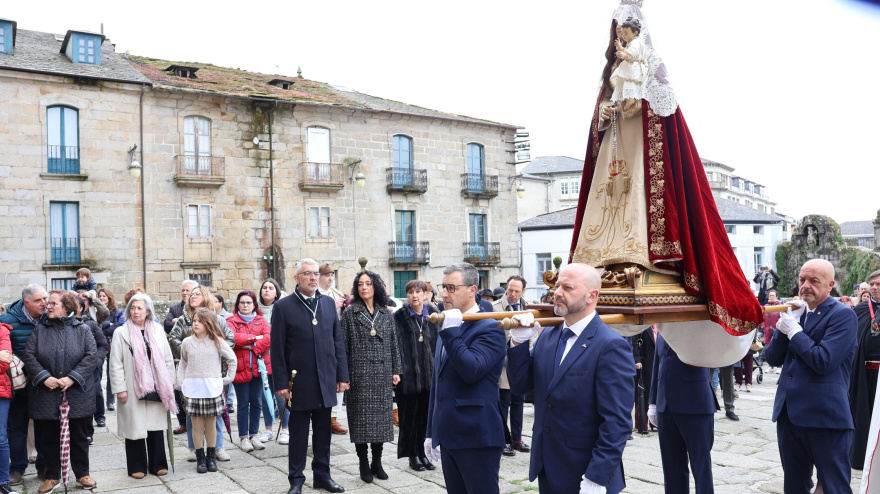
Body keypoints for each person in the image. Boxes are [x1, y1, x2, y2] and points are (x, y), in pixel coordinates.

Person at [568, 6, 764, 339]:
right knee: (610, 195)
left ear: (637, 32)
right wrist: (606, 111)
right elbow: (602, 108)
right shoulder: (613, 69)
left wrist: (635, 101)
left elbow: (661, 106)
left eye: (625, 31)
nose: (620, 37)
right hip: (615, 144)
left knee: (638, 193)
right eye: (617, 31)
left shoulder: (648, 63)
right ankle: (601, 260)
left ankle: (640, 258)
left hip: (641, 149)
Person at [507, 263, 635, 494]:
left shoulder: (610, 345)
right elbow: (520, 386)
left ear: (591, 296)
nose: (557, 292)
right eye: (557, 286)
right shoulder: (548, 335)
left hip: (585, 471)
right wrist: (517, 343)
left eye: (567, 287)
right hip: (548, 466)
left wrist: (596, 478)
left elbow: (617, 422)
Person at [764, 259, 858, 493]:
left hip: (825, 417)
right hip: (789, 415)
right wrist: (784, 328)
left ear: (830, 285)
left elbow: (823, 360)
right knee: (794, 485)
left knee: (833, 486)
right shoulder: (797, 312)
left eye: (814, 281)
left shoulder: (843, 315)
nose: (805, 285)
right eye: (802, 279)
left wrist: (794, 331)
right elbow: (772, 358)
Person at [424, 263, 507, 494]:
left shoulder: (489, 327)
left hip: (477, 435)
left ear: (472, 290)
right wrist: (431, 430)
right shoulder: (449, 323)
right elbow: (438, 383)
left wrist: (452, 332)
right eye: (443, 287)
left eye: (451, 287)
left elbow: (472, 371)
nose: (444, 294)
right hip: (449, 433)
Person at [270, 258, 348, 494]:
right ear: (297, 278)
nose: (314, 278)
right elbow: (277, 349)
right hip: (299, 382)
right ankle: (296, 480)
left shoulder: (328, 304)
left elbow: (337, 342)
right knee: (298, 435)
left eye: (316, 273)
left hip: (325, 380)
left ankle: (322, 476)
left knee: (323, 433)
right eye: (308, 273)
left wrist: (342, 375)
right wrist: (281, 383)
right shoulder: (283, 307)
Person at [23, 290, 99, 493]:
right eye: (48, 302)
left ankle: (82, 474)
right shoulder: (40, 330)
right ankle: (52, 476)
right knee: (49, 438)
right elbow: (29, 356)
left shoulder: (83, 329)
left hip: (77, 394)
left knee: (79, 436)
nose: (48, 305)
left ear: (66, 307)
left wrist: (72, 378)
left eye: (53, 303)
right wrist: (44, 378)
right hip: (46, 394)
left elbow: (91, 356)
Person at [340, 270, 401, 483]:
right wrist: (343, 375)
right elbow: (343, 346)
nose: (364, 287)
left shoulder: (385, 313)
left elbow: (394, 343)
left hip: (382, 374)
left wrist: (396, 370)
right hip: (358, 375)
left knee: (381, 422)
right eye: (360, 284)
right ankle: (363, 463)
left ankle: (377, 462)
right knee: (360, 422)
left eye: (368, 283)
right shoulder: (350, 313)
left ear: (376, 286)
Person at [110, 293, 177, 479]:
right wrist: (120, 388)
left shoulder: (157, 330)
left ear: (148, 311)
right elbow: (115, 363)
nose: (135, 311)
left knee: (155, 427)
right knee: (135, 427)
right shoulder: (121, 332)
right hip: (132, 387)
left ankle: (158, 464)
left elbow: (167, 359)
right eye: (132, 308)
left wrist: (170, 383)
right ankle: (136, 466)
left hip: (157, 385)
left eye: (139, 308)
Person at [169, 285, 234, 462]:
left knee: (215, 414)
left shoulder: (218, 319)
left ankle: (218, 447)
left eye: (197, 294)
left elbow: (229, 339)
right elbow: (173, 339)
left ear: (205, 297)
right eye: (191, 294)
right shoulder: (183, 319)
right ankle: (194, 448)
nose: (192, 296)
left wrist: (213, 353)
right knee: (193, 416)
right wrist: (192, 351)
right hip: (192, 374)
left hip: (214, 373)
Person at [648, 333, 716, 494]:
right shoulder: (663, 325)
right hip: (666, 404)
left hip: (695, 402)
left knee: (701, 469)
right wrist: (653, 402)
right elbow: (658, 362)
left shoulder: (698, 324)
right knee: (672, 470)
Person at [0, 284, 47, 488]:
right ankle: (17, 468)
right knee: (16, 428)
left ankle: (44, 466)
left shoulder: (49, 317)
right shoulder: (7, 320)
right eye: (38, 300)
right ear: (26, 302)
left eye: (45, 298)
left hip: (44, 385)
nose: (44, 303)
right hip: (19, 385)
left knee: (43, 427)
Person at [393, 280, 438, 472]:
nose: (414, 295)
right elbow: (393, 346)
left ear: (425, 294)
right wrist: (396, 370)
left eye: (418, 291)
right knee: (409, 418)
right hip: (408, 377)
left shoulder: (434, 315)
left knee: (425, 418)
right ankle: (413, 455)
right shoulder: (398, 317)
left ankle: (424, 453)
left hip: (429, 376)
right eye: (410, 292)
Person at [226, 290, 271, 453]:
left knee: (257, 402)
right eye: (242, 302)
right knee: (243, 403)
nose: (245, 305)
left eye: (248, 302)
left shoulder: (261, 320)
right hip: (240, 368)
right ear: (237, 305)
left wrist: (248, 345)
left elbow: (268, 339)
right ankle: (243, 437)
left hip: (259, 368)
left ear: (254, 305)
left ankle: (254, 435)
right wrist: (255, 339)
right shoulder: (230, 321)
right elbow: (233, 339)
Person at [492, 275, 530, 456]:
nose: (513, 294)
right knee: (503, 403)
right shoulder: (495, 308)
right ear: (505, 288)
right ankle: (502, 440)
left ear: (523, 291)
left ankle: (517, 439)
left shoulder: (528, 307)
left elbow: (533, 333)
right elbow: (494, 336)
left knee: (519, 402)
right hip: (504, 363)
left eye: (517, 291)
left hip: (522, 362)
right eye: (510, 290)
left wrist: (528, 354)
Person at [849, 270, 880, 469]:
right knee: (863, 414)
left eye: (879, 284)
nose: (875, 287)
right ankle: (861, 457)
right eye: (872, 284)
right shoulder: (860, 310)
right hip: (864, 371)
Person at [317, 264, 349, 436]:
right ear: (319, 277)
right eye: (327, 275)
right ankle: (324, 416)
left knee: (339, 377)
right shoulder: (316, 294)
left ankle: (334, 418)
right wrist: (333, 307)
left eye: (332, 275)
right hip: (322, 339)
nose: (330, 278)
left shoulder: (336, 293)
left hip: (337, 337)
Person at [74, 294, 109, 445]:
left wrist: (97, 361)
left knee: (91, 396)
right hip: (70, 370)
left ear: (82, 308)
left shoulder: (91, 324)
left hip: (90, 369)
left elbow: (102, 344)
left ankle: (88, 432)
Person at [256, 278, 286, 443]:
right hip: (261, 358)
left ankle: (285, 429)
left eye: (271, 288)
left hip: (278, 357)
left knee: (281, 395)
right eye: (264, 287)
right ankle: (268, 429)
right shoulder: (255, 310)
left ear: (276, 292)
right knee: (265, 395)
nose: (267, 290)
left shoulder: (282, 308)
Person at [610, 17, 649, 103]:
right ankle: (624, 99)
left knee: (628, 77)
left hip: (637, 66)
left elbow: (633, 55)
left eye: (626, 33)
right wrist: (620, 47)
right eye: (623, 33)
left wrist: (624, 56)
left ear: (635, 33)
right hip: (633, 64)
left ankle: (630, 98)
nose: (623, 36)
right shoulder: (632, 41)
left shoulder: (636, 41)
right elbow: (627, 51)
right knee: (624, 76)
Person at [98, 289, 123, 412]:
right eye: (100, 296)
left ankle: (110, 401)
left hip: (112, 344)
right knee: (98, 373)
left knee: (111, 373)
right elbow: (97, 327)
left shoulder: (115, 311)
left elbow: (117, 327)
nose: (102, 298)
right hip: (99, 345)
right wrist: (108, 324)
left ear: (109, 297)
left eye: (104, 296)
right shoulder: (96, 311)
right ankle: (98, 401)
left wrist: (104, 328)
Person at [631, 325, 657, 434]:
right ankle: (641, 424)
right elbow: (634, 342)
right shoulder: (642, 325)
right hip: (645, 364)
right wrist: (637, 359)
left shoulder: (660, 326)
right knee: (643, 394)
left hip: (658, 363)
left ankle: (655, 422)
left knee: (655, 392)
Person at [0, 322, 16, 494]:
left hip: (0, 392)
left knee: (0, 437)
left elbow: (4, 365)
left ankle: (3, 481)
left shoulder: (2, 330)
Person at [762, 289, 782, 373]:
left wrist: (778, 328)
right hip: (767, 331)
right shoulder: (766, 306)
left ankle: (779, 366)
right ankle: (770, 366)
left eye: (773, 295)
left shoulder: (780, 306)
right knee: (769, 349)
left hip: (777, 330)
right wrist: (764, 327)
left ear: (776, 297)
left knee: (778, 348)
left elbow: (782, 318)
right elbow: (762, 318)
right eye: (770, 295)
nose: (771, 297)